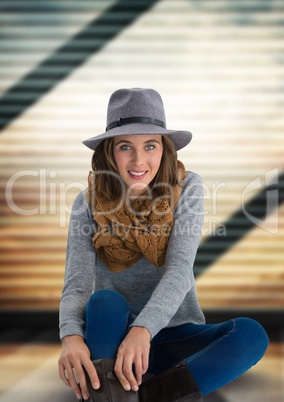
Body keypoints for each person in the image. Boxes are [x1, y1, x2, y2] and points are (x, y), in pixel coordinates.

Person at [58, 88, 269, 402]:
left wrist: (143, 330)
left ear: (164, 149)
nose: (139, 160)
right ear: (109, 152)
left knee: (251, 335)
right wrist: (70, 337)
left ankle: (134, 395)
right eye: (125, 146)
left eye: (150, 146)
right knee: (103, 301)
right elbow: (76, 284)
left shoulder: (187, 188)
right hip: (113, 340)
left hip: (172, 334)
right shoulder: (86, 203)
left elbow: (180, 270)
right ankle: (118, 387)